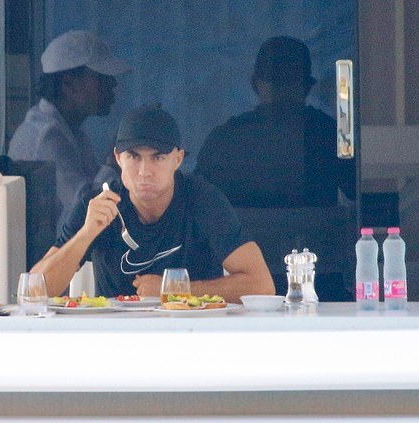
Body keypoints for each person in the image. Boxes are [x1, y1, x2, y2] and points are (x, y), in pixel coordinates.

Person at [31, 105, 275, 302]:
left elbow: (262, 285)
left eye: (157, 157)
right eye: (134, 156)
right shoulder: (97, 203)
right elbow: (35, 291)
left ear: (177, 159)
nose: (145, 171)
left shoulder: (202, 200)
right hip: (116, 340)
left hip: (193, 337)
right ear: (118, 158)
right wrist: (85, 234)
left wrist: (175, 290)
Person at [194, 36, 356, 208]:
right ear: (307, 87)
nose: (283, 92)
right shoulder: (331, 134)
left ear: (255, 85)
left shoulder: (225, 138)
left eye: (289, 83)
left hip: (244, 234)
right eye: (279, 84)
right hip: (316, 235)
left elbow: (199, 202)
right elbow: (357, 190)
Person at [8, 30, 131, 235]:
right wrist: (115, 159)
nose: (113, 85)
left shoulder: (73, 132)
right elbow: (85, 210)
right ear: (69, 84)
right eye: (101, 78)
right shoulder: (46, 137)